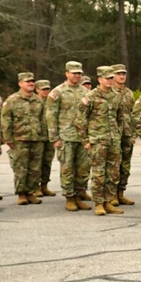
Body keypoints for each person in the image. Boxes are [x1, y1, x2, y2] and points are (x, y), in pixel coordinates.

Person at [46, 61, 91, 210]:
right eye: (74, 73)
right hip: (65, 137)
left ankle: (79, 195)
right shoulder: (57, 92)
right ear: (67, 74)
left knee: (83, 169)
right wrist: (54, 138)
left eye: (79, 73)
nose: (77, 75)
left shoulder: (86, 92)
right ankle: (69, 197)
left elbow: (90, 115)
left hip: (82, 137)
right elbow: (51, 116)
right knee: (67, 168)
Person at [82, 67, 125, 214]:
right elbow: (80, 119)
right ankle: (98, 203)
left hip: (113, 140)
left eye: (112, 78)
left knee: (113, 173)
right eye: (108, 78)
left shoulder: (116, 96)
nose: (110, 81)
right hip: (97, 140)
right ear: (99, 79)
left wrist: (118, 134)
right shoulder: (91, 96)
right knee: (99, 173)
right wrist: (85, 140)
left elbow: (120, 117)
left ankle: (108, 201)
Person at [1, 72, 45, 204]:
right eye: (27, 82)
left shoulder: (38, 100)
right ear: (20, 83)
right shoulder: (12, 100)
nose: (31, 84)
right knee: (20, 168)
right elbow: (5, 120)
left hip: (36, 139)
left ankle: (31, 192)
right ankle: (21, 194)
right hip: (19, 139)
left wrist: (43, 136)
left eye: (32, 81)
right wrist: (8, 139)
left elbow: (43, 120)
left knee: (35, 169)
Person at [112, 66, 139, 205]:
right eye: (119, 74)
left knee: (125, 165)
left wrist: (134, 133)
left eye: (124, 74)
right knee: (113, 165)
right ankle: (111, 195)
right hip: (113, 134)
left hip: (127, 133)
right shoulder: (109, 92)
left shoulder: (128, 93)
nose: (122, 76)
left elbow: (133, 114)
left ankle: (121, 192)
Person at [34, 81, 56, 195]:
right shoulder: (34, 102)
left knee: (47, 162)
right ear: (37, 89)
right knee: (37, 162)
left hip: (49, 136)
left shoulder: (51, 102)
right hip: (37, 137)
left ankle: (44, 185)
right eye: (43, 89)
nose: (46, 91)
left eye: (47, 89)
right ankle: (35, 187)